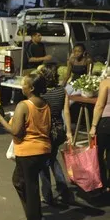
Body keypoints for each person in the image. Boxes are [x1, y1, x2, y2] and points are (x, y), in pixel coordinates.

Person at [0, 74, 51, 220]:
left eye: (24, 84)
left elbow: (16, 131)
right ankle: (34, 217)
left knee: (28, 186)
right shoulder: (44, 104)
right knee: (22, 182)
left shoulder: (24, 105)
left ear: (32, 88)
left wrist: (1, 120)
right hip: (42, 150)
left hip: (28, 151)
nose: (22, 86)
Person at [38, 65, 74, 204]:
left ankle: (47, 195)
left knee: (43, 164)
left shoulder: (42, 94)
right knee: (52, 159)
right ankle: (63, 190)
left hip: (45, 131)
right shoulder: (62, 91)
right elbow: (66, 112)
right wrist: (69, 132)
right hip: (59, 130)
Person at [89, 77, 110, 193]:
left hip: (106, 122)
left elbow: (100, 105)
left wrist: (93, 126)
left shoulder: (106, 82)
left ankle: (103, 183)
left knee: (99, 154)